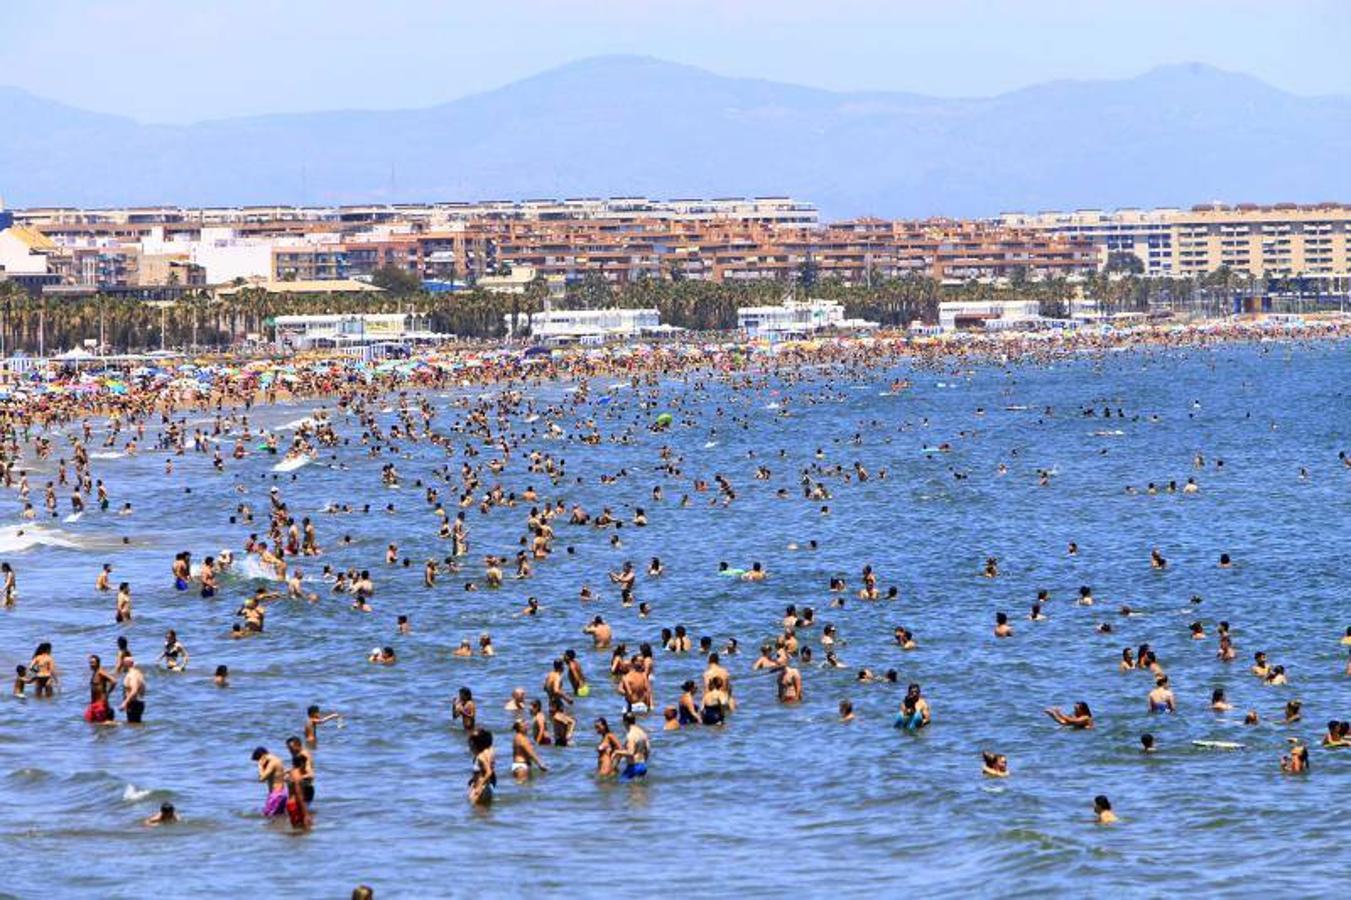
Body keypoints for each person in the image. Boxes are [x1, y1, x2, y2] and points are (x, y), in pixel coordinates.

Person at [253, 746, 288, 818]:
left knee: (267, 817)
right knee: (280, 816)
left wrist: (260, 766)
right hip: (283, 792)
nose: (258, 762)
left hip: (276, 795)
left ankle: (273, 829)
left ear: (262, 757)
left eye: (258, 760)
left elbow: (262, 779)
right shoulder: (277, 760)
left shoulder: (272, 763)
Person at [617, 712, 650, 781]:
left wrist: (617, 752)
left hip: (633, 767)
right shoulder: (642, 732)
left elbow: (631, 752)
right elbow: (648, 749)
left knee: (620, 783)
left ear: (625, 722)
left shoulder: (630, 735)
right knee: (640, 790)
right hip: (643, 765)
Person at [467, 729, 496, 805]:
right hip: (485, 786)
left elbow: (488, 772)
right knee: (483, 814)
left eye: (470, 744)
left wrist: (479, 786)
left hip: (482, 787)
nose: (469, 746)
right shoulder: (482, 754)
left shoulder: (480, 757)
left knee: (476, 811)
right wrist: (472, 779)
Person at [120, 659, 146, 724]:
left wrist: (125, 703)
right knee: (136, 725)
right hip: (138, 703)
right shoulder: (139, 674)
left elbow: (134, 690)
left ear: (126, 664)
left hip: (133, 703)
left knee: (133, 725)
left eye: (123, 664)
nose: (122, 666)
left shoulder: (132, 675)